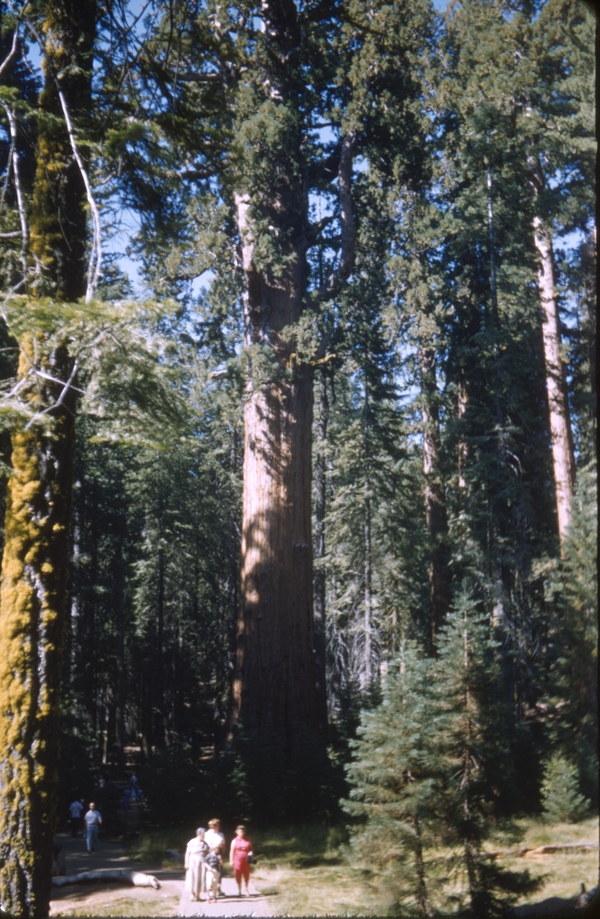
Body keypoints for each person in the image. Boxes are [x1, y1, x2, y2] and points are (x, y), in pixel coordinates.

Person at [184, 827, 209, 902]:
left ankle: (198, 896)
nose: (204, 835)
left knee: (200, 878)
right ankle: (192, 894)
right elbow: (187, 853)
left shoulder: (205, 844)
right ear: (199, 834)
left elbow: (208, 853)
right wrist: (186, 863)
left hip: (201, 863)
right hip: (193, 862)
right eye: (203, 834)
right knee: (192, 877)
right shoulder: (192, 841)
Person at [229, 825, 253, 897]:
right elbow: (232, 851)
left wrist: (250, 852)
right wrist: (231, 860)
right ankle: (239, 890)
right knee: (238, 874)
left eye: (243, 831)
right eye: (240, 831)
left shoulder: (248, 839)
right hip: (237, 859)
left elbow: (251, 848)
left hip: (246, 859)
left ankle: (246, 889)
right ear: (236, 832)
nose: (241, 832)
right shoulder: (234, 841)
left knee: (246, 874)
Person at [204, 819, 225, 894]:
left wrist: (221, 855)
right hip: (209, 854)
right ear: (213, 826)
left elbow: (223, 845)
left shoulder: (221, 834)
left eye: (218, 825)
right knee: (210, 872)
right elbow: (205, 845)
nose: (219, 827)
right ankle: (210, 889)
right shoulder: (206, 834)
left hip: (219, 854)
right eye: (217, 825)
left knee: (219, 871)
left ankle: (218, 889)